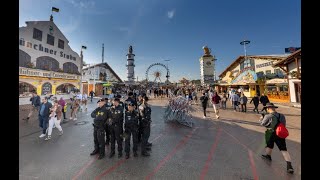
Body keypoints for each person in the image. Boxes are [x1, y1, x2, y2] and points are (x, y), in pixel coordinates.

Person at [260, 103, 294, 174]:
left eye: (267, 108)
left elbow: (262, 124)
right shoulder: (281, 115)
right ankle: (289, 166)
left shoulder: (267, 116)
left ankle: (268, 156)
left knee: (269, 145)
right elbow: (283, 125)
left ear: (268, 108)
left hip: (270, 133)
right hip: (279, 133)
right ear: (274, 108)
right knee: (283, 149)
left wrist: (261, 119)